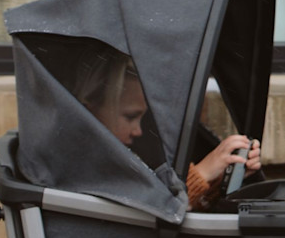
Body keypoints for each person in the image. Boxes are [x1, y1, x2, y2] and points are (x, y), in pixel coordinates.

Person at [73, 47, 261, 212]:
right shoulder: (85, 166)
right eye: (130, 117)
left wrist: (220, 180)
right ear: (91, 110)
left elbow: (180, 212)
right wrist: (201, 174)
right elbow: (149, 217)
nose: (138, 131)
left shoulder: (123, 157)